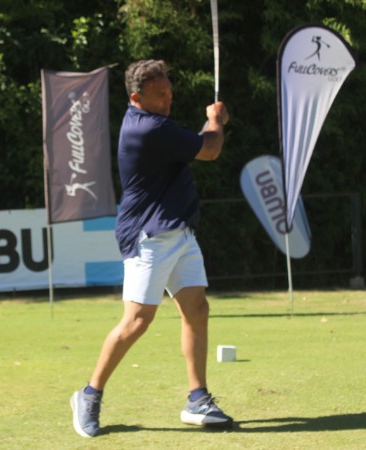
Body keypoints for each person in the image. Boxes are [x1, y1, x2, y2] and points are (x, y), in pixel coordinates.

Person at [70, 59, 233, 438]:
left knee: (197, 309)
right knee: (137, 321)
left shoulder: (159, 125)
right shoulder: (148, 128)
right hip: (148, 235)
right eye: (160, 95)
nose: (168, 100)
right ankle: (89, 394)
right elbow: (210, 148)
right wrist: (216, 119)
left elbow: (197, 147)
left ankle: (197, 399)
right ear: (136, 98)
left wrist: (211, 125)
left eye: (169, 92)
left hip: (179, 233)